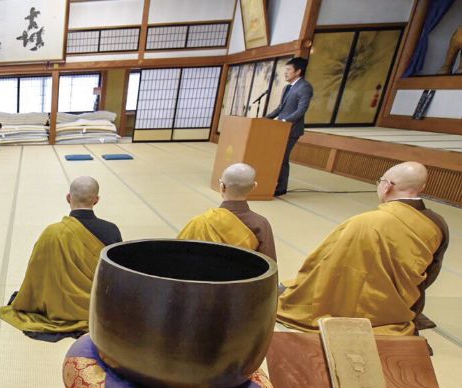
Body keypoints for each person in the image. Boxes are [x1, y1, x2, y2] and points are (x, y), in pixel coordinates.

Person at [277, 161, 449, 336]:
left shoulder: (363, 222)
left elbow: (323, 264)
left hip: (350, 303)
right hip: (400, 306)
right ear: (422, 187)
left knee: (287, 291)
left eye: (380, 181)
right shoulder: (436, 224)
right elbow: (431, 272)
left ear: (387, 186)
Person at [0, 176, 123, 341]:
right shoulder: (111, 230)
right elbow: (117, 274)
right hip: (96, 308)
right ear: (96, 200)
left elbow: (36, 276)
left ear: (68, 198)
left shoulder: (52, 233)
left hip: (57, 306)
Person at [178, 163, 276, 260]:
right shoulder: (261, 224)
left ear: (222, 186)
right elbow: (269, 267)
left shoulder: (200, 222)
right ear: (253, 187)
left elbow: (177, 254)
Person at [266, 56, 313, 196]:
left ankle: (281, 188)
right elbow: (280, 108)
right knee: (275, 157)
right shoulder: (288, 87)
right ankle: (271, 183)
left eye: (288, 70)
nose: (285, 72)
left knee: (282, 158)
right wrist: (264, 119)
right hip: (280, 128)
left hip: (291, 130)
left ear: (298, 71)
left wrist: (285, 121)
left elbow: (301, 110)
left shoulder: (305, 87)